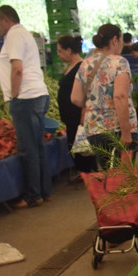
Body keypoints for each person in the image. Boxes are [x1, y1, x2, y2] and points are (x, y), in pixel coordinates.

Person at [0, 5, 51, 208]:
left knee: (28, 149)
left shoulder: (14, 36)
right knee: (37, 146)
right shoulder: (21, 34)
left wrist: (14, 95)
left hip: (26, 99)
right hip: (37, 95)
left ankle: (33, 195)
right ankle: (44, 190)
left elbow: (17, 69)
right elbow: (2, 59)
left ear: (6, 20)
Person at [71, 24, 138, 169]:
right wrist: (126, 132)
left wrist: (94, 102)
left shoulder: (85, 64)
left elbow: (75, 98)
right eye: (120, 39)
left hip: (94, 130)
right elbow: (120, 96)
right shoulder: (119, 62)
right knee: (125, 178)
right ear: (115, 40)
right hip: (116, 128)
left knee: (109, 174)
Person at [55, 35, 95, 173]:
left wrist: (83, 116)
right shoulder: (71, 66)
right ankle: (83, 173)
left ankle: (89, 174)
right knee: (75, 146)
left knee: (83, 147)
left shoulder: (81, 67)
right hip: (70, 117)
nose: (58, 54)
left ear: (68, 50)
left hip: (77, 115)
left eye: (60, 51)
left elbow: (86, 93)